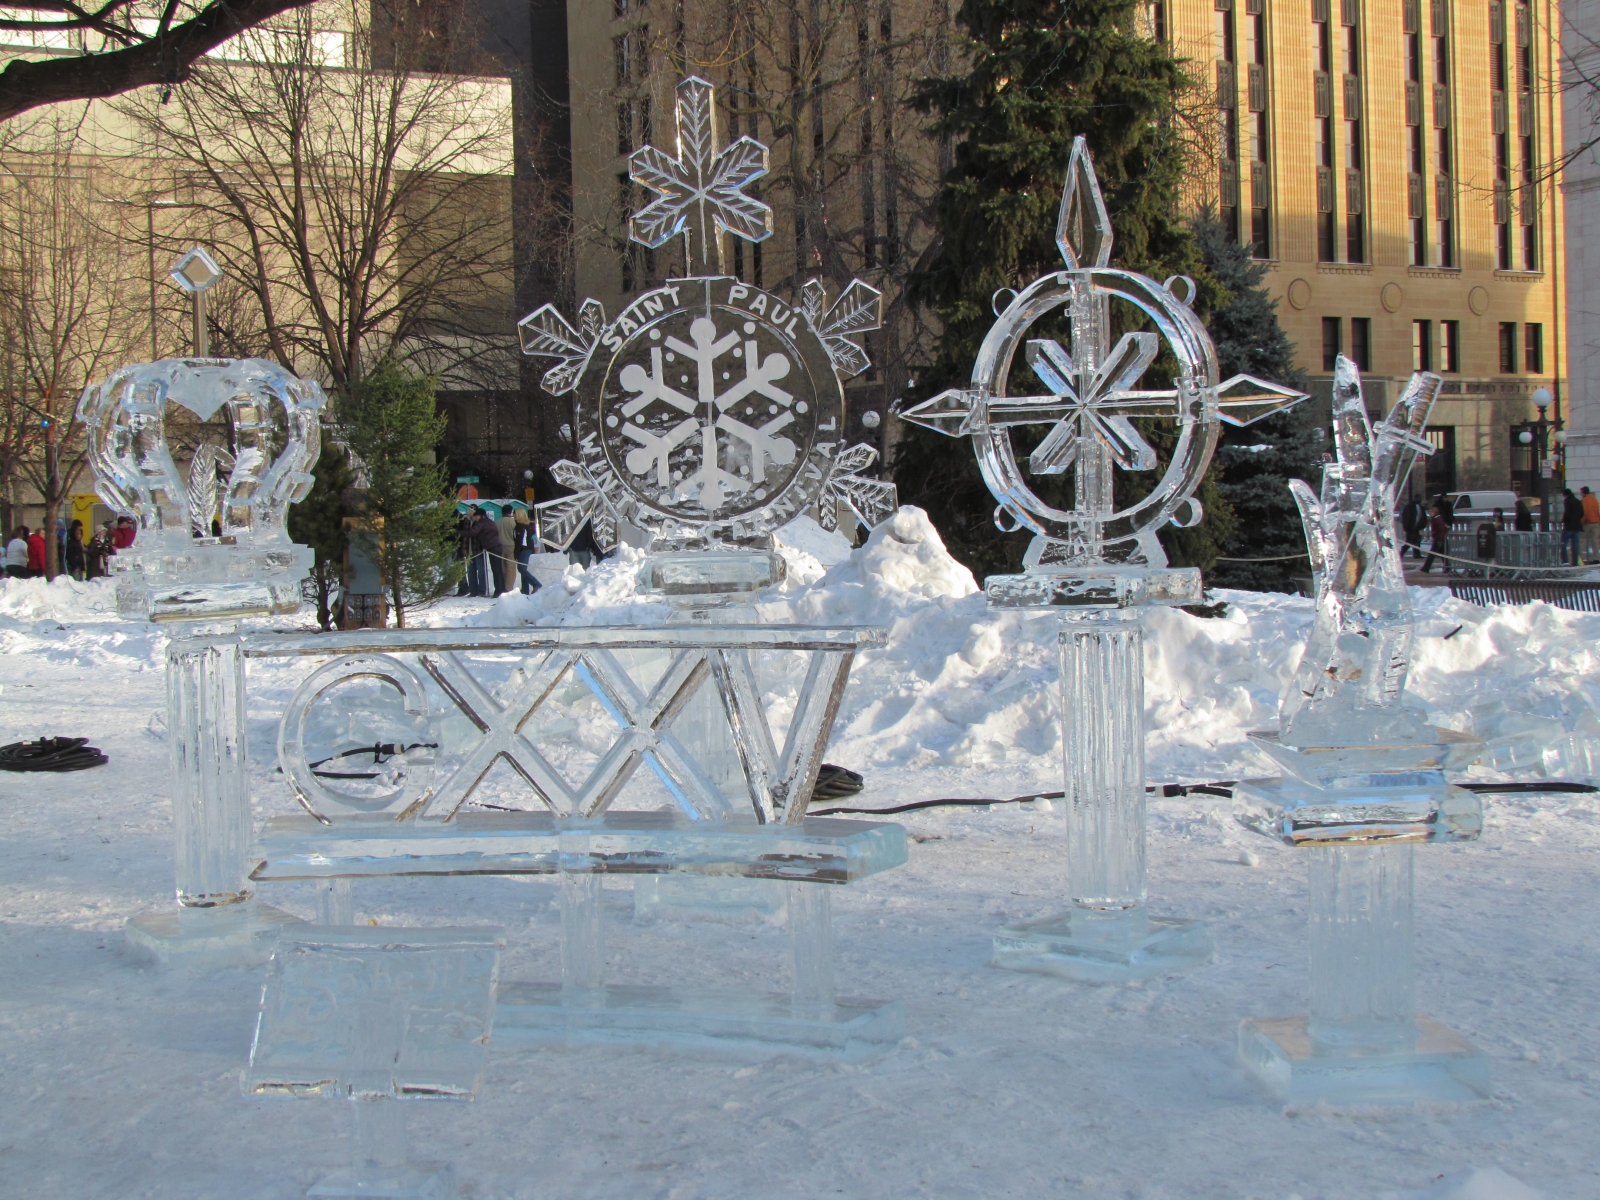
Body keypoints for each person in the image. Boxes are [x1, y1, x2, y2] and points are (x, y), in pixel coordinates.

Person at [512, 508, 542, 595]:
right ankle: (525, 589)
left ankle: (536, 583)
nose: (513, 515)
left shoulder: (520, 527)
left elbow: (520, 541)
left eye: (514, 513)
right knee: (523, 569)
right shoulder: (522, 526)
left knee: (521, 568)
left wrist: (516, 552)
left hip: (524, 549)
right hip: (525, 548)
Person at [1421, 499, 1451, 574]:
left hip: (1439, 539)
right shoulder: (1436, 519)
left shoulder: (1437, 519)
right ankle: (1447, 568)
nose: (1429, 513)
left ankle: (1426, 568)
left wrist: (1439, 539)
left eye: (1431, 512)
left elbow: (1441, 530)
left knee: (1433, 554)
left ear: (1435, 512)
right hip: (1439, 539)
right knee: (1442, 555)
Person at [495, 505, 518, 595]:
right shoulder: (513, 522)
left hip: (501, 546)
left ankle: (503, 586)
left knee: (503, 567)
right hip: (512, 546)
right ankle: (509, 588)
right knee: (511, 568)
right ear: (511, 512)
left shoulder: (497, 523)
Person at [1562, 487, 1585, 566]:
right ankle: (1575, 562)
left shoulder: (1567, 501)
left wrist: (1564, 520)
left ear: (1565, 495)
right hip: (1577, 526)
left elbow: (1567, 513)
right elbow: (1582, 513)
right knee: (1575, 545)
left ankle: (1565, 561)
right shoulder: (1578, 501)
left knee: (1563, 543)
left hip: (1569, 526)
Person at [1400, 494, 1425, 560]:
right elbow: (1406, 517)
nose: (1419, 499)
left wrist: (1422, 525)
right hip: (1410, 527)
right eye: (1418, 498)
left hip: (1417, 527)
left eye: (1420, 498)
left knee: (1417, 541)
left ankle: (1416, 554)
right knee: (1409, 542)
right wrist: (1406, 527)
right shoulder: (1409, 507)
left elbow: (1423, 517)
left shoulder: (1421, 507)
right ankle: (1401, 553)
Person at [1582, 486, 1600, 564]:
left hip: (1587, 523)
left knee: (1582, 539)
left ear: (1583, 492)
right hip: (1596, 522)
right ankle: (1596, 558)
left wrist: (1582, 522)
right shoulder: (1595, 499)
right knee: (1595, 541)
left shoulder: (1584, 500)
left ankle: (1582, 558)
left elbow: (1585, 513)